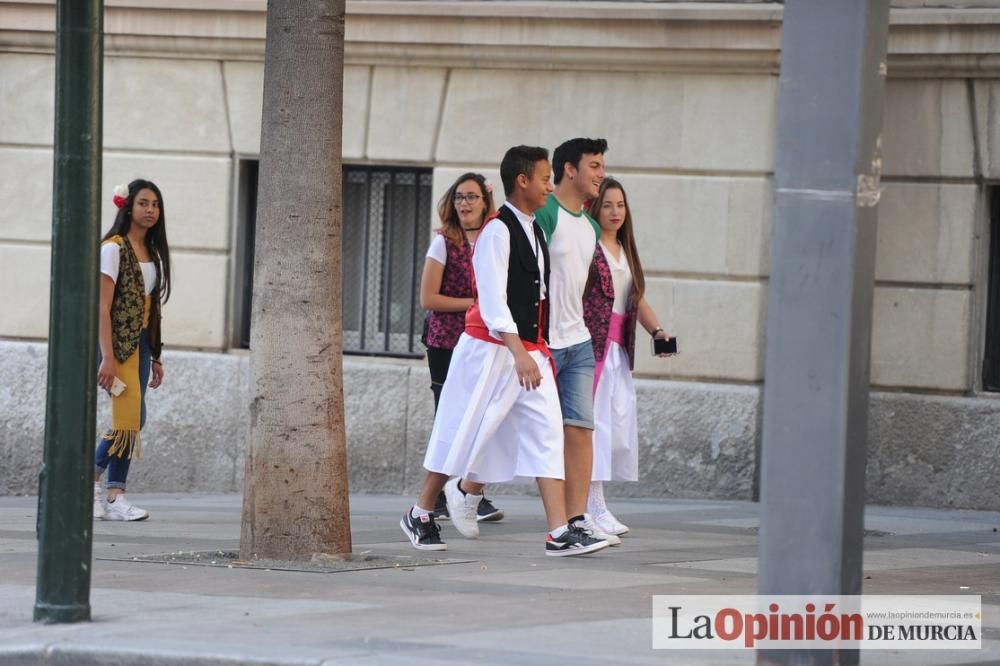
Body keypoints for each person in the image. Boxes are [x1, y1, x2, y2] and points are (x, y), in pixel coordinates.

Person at [400, 145, 609, 558]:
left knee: (548, 433)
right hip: (489, 351)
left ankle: (559, 532)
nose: (551, 185)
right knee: (461, 429)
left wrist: (535, 349)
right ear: (523, 181)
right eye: (546, 178)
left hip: (529, 352)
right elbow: (493, 301)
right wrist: (518, 352)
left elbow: (539, 295)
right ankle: (420, 511)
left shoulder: (533, 228)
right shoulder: (498, 230)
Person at [533, 137, 620, 546]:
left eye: (602, 166)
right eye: (595, 166)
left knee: (581, 429)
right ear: (570, 169)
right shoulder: (545, 214)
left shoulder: (589, 226)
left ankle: (577, 519)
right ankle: (461, 490)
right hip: (543, 344)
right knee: (525, 431)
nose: (601, 174)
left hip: (579, 342)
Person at [583, 178, 675, 536]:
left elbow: (636, 299)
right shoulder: (589, 247)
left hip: (618, 352)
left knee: (615, 429)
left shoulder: (625, 250)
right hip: (593, 350)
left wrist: (657, 332)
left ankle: (595, 507)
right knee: (594, 430)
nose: (615, 212)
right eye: (607, 205)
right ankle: (592, 507)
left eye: (620, 205)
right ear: (596, 209)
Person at [419, 173, 503, 523]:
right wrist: (475, 302)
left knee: (482, 417)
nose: (465, 204)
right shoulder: (444, 243)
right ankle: (439, 495)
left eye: (471, 197)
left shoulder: (494, 237)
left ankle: (469, 491)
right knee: (450, 419)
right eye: (459, 198)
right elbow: (428, 298)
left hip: (483, 342)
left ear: (485, 201)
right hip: (447, 343)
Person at [92, 179, 171, 522]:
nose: (150, 209)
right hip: (116, 346)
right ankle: (96, 485)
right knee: (130, 419)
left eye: (155, 204)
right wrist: (107, 357)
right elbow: (102, 307)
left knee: (133, 420)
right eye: (143, 203)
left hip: (139, 344)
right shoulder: (113, 248)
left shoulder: (151, 252)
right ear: (127, 206)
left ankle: (112, 495)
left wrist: (154, 354)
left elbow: (150, 309)